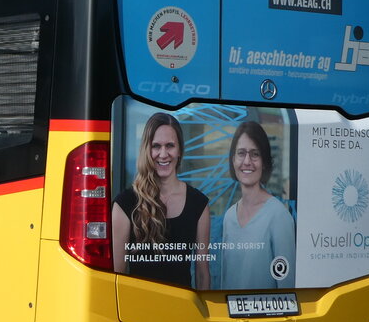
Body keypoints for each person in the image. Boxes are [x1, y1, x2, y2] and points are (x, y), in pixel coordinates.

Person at [112, 112, 211, 288]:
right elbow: (116, 276)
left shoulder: (199, 204)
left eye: (170, 146)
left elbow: (203, 275)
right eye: (156, 146)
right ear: (146, 150)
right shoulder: (125, 204)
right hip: (139, 311)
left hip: (183, 310)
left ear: (180, 150)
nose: (163, 154)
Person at [217, 121, 296, 289]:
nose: (247, 161)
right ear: (233, 160)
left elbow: (287, 287)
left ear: (264, 161)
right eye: (241, 153)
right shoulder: (229, 216)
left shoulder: (279, 216)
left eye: (255, 154)